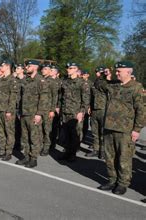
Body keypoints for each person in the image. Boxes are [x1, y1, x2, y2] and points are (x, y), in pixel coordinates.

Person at [98, 61, 144, 195]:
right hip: (109, 127)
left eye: (119, 71)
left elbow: (141, 110)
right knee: (110, 157)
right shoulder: (113, 85)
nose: (116, 73)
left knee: (124, 158)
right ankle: (112, 180)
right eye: (116, 71)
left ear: (128, 72)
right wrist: (104, 75)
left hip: (125, 129)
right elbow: (98, 86)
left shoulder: (136, 87)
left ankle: (122, 183)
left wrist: (137, 129)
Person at [58, 62, 90, 162]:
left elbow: (86, 99)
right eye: (67, 68)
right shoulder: (65, 81)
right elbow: (61, 97)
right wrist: (59, 107)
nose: (68, 69)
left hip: (76, 112)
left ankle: (73, 154)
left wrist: (82, 112)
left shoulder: (82, 82)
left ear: (76, 69)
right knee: (66, 134)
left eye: (71, 68)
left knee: (75, 134)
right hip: (65, 111)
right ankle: (67, 152)